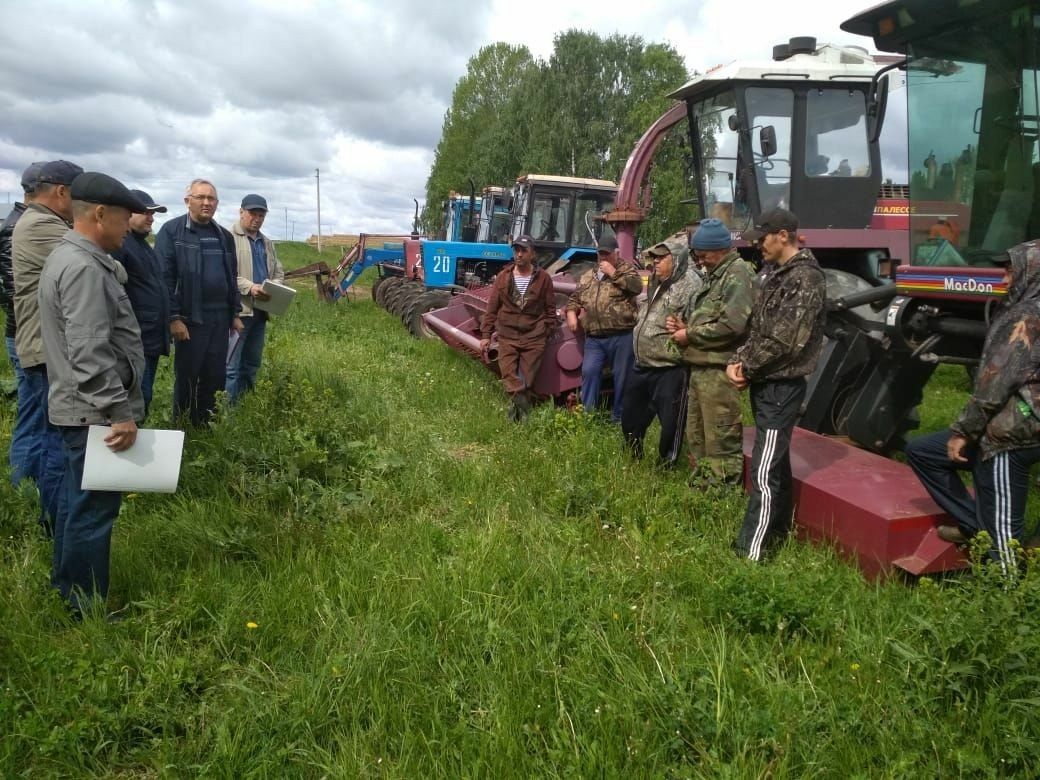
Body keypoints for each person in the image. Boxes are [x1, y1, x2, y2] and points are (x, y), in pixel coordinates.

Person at [37, 172, 148, 617]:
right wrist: (118, 412)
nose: (128, 227)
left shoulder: (74, 257)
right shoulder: (83, 268)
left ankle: (67, 589)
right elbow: (89, 351)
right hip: (93, 414)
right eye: (124, 218)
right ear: (100, 214)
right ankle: (85, 607)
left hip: (76, 410)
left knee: (73, 502)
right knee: (93, 512)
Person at [906, 242, 1040, 575]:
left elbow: (995, 383)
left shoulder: (1026, 316)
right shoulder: (1021, 307)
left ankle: (1011, 595)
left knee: (1005, 532)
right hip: (1012, 420)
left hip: (1010, 432)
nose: (1005, 276)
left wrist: (963, 431)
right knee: (923, 452)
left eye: (1012, 268)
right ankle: (977, 526)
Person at [726, 208, 825, 561]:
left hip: (781, 388)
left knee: (764, 471)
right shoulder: (777, 275)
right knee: (776, 464)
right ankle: (780, 531)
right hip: (765, 383)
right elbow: (759, 330)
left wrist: (746, 367)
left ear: (783, 235)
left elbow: (785, 340)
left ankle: (750, 553)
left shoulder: (805, 279)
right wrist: (738, 362)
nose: (758, 246)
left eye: (762, 238)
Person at [11, 159, 84, 530]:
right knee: (56, 438)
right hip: (47, 349)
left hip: (45, 346)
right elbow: (94, 260)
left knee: (45, 431)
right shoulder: (41, 225)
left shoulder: (41, 222)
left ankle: (39, 509)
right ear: (61, 192)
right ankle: (53, 522)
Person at [667, 218, 755, 485]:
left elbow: (732, 325)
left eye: (703, 255)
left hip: (719, 373)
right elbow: (713, 319)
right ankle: (702, 488)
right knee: (698, 437)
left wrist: (689, 334)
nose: (700, 261)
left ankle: (722, 495)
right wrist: (687, 326)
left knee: (720, 438)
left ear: (719, 249)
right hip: (701, 369)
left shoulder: (738, 274)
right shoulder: (716, 276)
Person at [155, 179, 242, 426]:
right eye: (200, 197)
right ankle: (182, 425)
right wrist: (173, 318)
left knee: (215, 376)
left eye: (211, 199)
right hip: (190, 320)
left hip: (220, 320)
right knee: (188, 377)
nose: (206, 203)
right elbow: (164, 278)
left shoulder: (224, 236)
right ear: (187, 201)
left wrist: (234, 313)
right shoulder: (172, 232)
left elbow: (230, 277)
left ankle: (206, 425)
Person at [622, 236, 702, 466]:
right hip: (642, 364)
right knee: (630, 417)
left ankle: (666, 466)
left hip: (670, 368)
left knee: (671, 423)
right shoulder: (656, 281)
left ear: (676, 260)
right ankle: (633, 459)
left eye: (661, 258)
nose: (655, 262)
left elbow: (701, 322)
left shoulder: (691, 285)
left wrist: (687, 329)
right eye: (654, 258)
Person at [479, 235, 557, 422]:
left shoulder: (544, 278)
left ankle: (516, 420)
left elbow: (550, 309)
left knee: (527, 380)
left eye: (524, 251)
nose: (519, 254)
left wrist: (546, 330)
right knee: (509, 376)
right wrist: (486, 335)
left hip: (534, 337)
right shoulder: (503, 277)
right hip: (508, 335)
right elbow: (492, 308)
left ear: (533, 254)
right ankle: (525, 413)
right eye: (517, 250)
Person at [564, 234, 641, 421]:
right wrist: (571, 312)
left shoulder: (626, 270)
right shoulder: (589, 276)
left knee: (621, 377)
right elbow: (575, 297)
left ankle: (619, 418)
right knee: (589, 371)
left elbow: (636, 287)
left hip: (621, 335)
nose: (603, 258)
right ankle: (588, 415)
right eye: (600, 255)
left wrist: (613, 273)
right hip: (595, 338)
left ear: (616, 253)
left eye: (607, 254)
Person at [1, 161, 44, 483]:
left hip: (24, 332)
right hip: (27, 333)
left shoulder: (20, 222)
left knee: (36, 409)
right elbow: (18, 289)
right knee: (35, 412)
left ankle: (27, 478)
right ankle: (22, 484)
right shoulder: (21, 226)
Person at [111, 189, 169, 416]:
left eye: (153, 213)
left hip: (150, 338)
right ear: (127, 214)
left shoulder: (145, 247)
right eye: (145, 212)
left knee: (143, 397)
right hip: (134, 341)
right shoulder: (121, 246)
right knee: (133, 402)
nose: (151, 218)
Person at [226, 193, 284, 402]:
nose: (257, 219)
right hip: (238, 312)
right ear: (241, 212)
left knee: (251, 365)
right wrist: (250, 287)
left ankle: (244, 408)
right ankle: (227, 413)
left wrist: (274, 287)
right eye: (253, 214)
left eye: (261, 215)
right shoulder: (228, 237)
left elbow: (278, 272)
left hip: (260, 313)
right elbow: (225, 275)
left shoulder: (266, 242)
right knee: (231, 367)